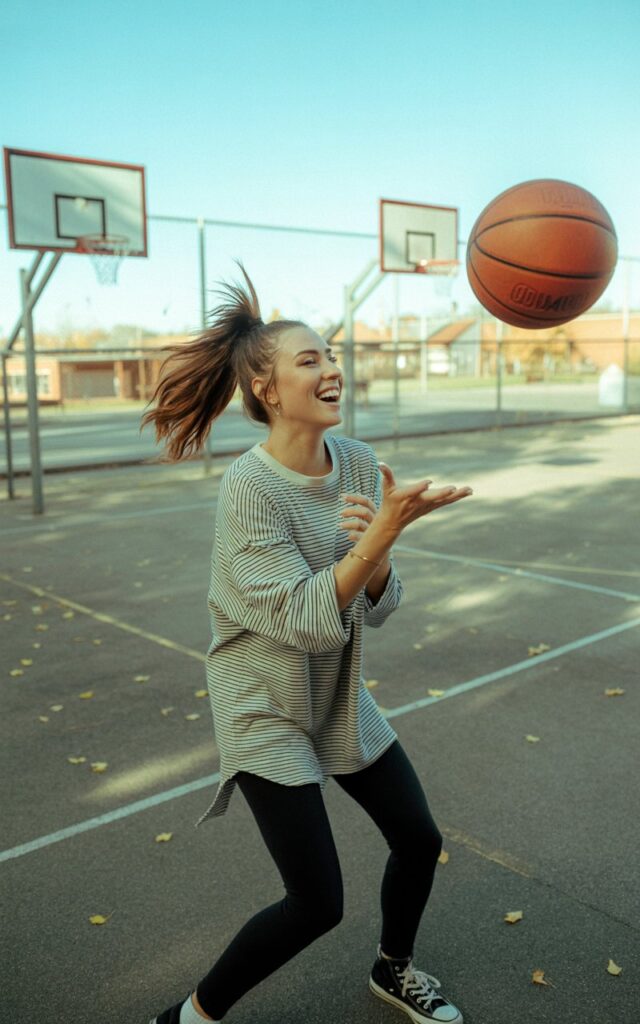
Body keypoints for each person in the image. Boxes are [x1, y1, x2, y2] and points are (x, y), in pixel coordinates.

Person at [140, 264, 473, 1024]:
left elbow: (376, 608)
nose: (332, 369)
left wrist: (382, 556)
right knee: (317, 902)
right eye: (311, 359)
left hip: (335, 693)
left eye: (331, 355)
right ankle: (187, 1018)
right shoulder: (248, 489)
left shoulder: (355, 461)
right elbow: (305, 616)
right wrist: (376, 540)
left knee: (419, 839)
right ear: (266, 388)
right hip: (264, 706)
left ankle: (394, 969)